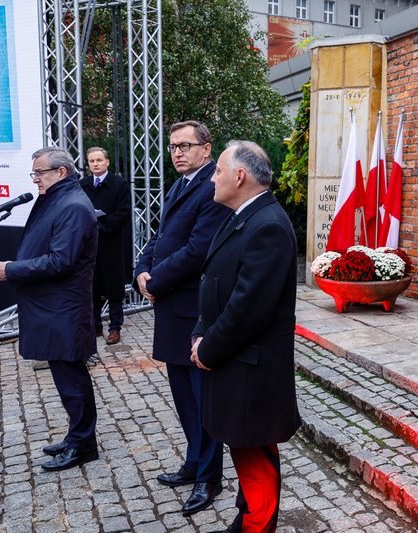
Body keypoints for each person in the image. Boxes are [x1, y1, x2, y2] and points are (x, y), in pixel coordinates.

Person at [191, 141, 301, 533]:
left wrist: (208, 348)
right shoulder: (243, 215)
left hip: (250, 369)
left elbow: (248, 308)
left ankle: (257, 527)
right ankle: (246, 519)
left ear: (240, 176)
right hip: (236, 362)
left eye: (218, 170)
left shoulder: (267, 224)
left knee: (256, 461)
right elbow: (216, 283)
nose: (213, 177)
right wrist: (201, 331)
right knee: (246, 452)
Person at [133, 121, 230, 516]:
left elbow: (198, 249)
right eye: (173, 146)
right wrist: (140, 267)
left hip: (194, 310)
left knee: (202, 400)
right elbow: (160, 237)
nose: (177, 152)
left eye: (185, 145)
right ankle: (193, 463)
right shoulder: (181, 184)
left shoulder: (212, 186)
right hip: (171, 309)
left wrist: (156, 279)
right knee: (183, 400)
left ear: (206, 150)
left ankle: (209, 477)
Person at [0, 146, 99, 472]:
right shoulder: (59, 198)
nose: (34, 179)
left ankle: (83, 444)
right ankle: (78, 435)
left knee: (72, 378)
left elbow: (62, 260)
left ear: (61, 172)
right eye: (33, 173)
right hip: (53, 307)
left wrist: (12, 270)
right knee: (66, 377)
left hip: (64, 308)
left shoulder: (73, 206)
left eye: (39, 173)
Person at [80, 147, 131, 345]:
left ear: (107, 162)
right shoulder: (82, 184)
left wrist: (102, 224)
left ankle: (115, 327)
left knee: (113, 286)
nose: (95, 164)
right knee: (91, 284)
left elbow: (124, 212)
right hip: (88, 244)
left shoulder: (119, 184)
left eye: (99, 160)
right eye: (91, 161)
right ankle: (95, 325)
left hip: (110, 242)